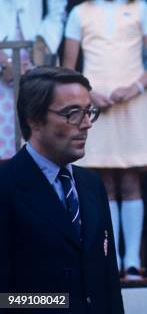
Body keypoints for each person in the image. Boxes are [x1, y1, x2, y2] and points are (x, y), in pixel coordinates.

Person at [63, 0, 147, 279]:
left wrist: (134, 88)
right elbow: (68, 67)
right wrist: (90, 94)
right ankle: (110, 260)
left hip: (133, 103)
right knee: (102, 183)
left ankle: (133, 261)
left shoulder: (141, 8)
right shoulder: (79, 12)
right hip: (95, 106)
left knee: (132, 180)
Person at [0, 66, 124, 314]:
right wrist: (61, 302)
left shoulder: (91, 185)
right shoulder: (6, 185)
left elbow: (109, 282)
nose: (87, 124)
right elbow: (4, 298)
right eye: (72, 114)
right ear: (33, 119)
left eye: (89, 112)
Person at [0, 0, 67, 160]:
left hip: (34, 58)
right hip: (2, 54)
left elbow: (58, 4)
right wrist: (2, 61)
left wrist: (42, 46)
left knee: (36, 148)